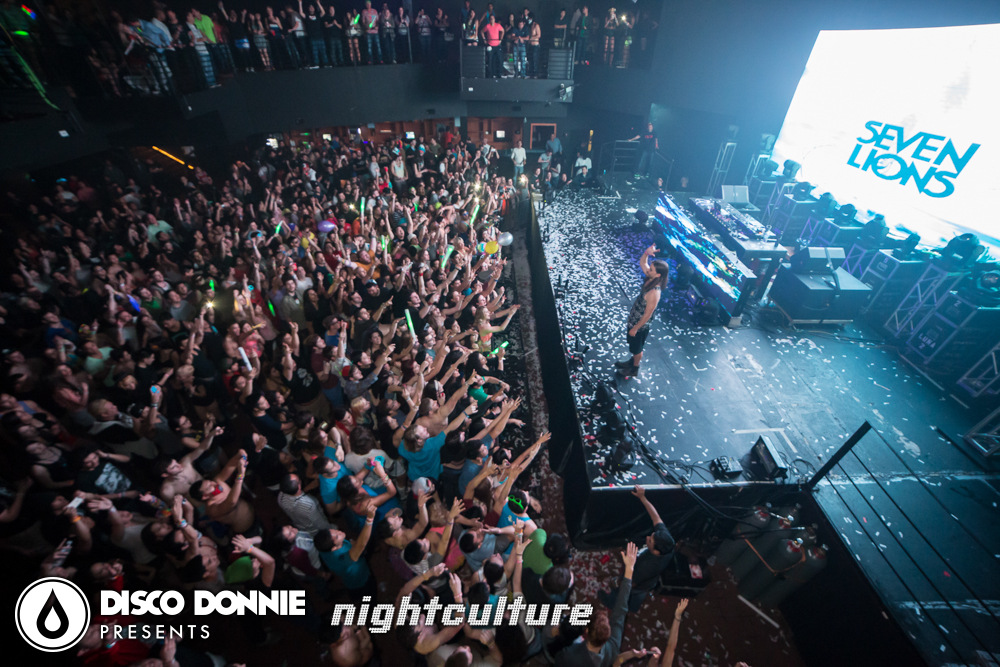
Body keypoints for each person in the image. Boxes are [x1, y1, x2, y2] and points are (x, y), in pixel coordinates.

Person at [554, 542, 638, 666]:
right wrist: (629, 571)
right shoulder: (613, 649)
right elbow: (620, 611)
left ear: (587, 630)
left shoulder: (569, 655)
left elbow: (558, 660)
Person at [616, 245, 669, 377]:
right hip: (634, 318)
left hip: (640, 325)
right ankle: (632, 361)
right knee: (633, 346)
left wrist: (635, 328)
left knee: (637, 348)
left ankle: (634, 368)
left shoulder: (654, 293)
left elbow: (648, 314)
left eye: (651, 269)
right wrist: (646, 253)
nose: (648, 270)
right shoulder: (651, 278)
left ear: (658, 274)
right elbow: (642, 263)